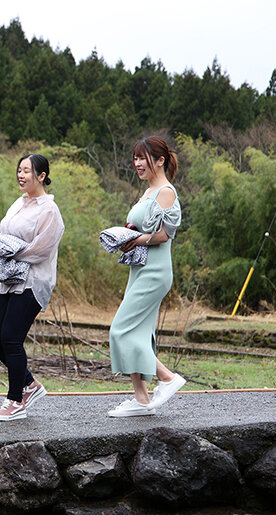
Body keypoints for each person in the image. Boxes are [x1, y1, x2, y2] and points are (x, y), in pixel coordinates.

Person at [108, 137, 185, 417]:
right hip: (139, 268)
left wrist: (135, 240)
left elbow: (164, 235)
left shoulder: (165, 191)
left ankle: (167, 378)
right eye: (136, 158)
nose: (138, 164)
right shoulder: (148, 191)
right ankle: (141, 399)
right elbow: (145, 228)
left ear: (160, 160)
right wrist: (128, 235)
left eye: (143, 158)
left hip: (154, 271)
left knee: (121, 330)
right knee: (138, 332)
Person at [0, 154, 64, 421]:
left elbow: (42, 249)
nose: (21, 175)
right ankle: (29, 384)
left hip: (33, 281)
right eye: (19, 170)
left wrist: (11, 253)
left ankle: (16, 401)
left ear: (41, 176)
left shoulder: (49, 210)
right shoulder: (18, 203)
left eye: (27, 171)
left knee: (10, 338)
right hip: (10, 278)